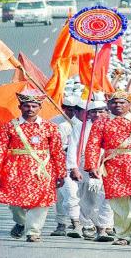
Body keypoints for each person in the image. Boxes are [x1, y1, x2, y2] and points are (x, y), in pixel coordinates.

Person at [0, 89, 66, 242]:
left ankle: (33, 231)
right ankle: (21, 222)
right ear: (20, 107)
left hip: (42, 170)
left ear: (40, 108)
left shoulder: (50, 127)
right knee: (14, 201)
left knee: (41, 200)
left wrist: (61, 173)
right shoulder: (9, 126)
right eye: (27, 106)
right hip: (15, 169)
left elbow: (57, 152)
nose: (30, 109)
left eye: (34, 106)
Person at [84, 90, 131, 246]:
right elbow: (93, 145)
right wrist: (91, 166)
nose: (117, 105)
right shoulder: (101, 122)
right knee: (118, 203)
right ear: (108, 105)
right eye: (114, 102)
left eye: (122, 102)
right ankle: (124, 234)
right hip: (113, 165)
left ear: (130, 105)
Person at [68, 100, 115, 242]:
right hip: (85, 165)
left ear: (107, 112)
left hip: (108, 164)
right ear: (88, 114)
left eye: (101, 111)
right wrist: (73, 167)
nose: (97, 114)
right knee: (87, 198)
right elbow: (72, 148)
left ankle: (103, 228)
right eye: (94, 111)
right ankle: (88, 225)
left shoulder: (114, 126)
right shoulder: (80, 128)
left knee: (107, 197)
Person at [50, 96, 84, 238]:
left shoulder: (84, 125)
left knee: (77, 194)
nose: (71, 113)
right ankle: (62, 224)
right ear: (63, 108)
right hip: (61, 163)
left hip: (81, 164)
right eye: (68, 109)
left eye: (75, 110)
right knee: (62, 195)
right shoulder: (56, 123)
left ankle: (79, 223)